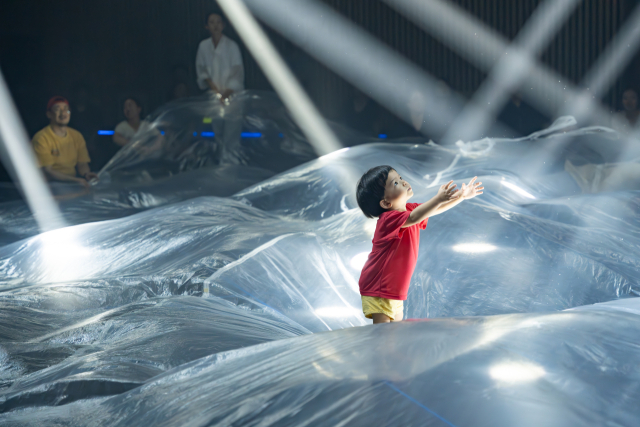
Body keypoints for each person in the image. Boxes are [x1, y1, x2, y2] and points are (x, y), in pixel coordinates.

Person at [356, 166, 483, 324]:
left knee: (393, 330)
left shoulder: (409, 210)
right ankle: (380, 349)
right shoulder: (388, 219)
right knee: (383, 332)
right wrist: (438, 198)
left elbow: (435, 208)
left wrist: (461, 196)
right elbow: (417, 216)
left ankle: (389, 349)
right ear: (386, 202)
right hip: (379, 285)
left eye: (401, 178)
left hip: (392, 287)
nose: (403, 182)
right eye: (395, 183)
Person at [32, 96, 98, 188]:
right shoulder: (41, 138)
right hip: (50, 186)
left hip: (72, 182)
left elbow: (82, 163)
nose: (63, 113)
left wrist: (86, 174)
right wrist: (76, 181)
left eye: (66, 110)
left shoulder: (76, 136)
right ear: (49, 114)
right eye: (57, 109)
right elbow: (48, 171)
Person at [195, 11, 244, 103]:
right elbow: (202, 71)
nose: (215, 25)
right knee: (207, 118)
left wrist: (225, 95)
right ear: (206, 26)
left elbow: (237, 75)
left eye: (218, 22)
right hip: (212, 96)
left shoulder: (232, 46)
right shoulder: (203, 46)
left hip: (232, 97)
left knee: (230, 117)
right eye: (212, 22)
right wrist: (215, 91)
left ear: (223, 25)